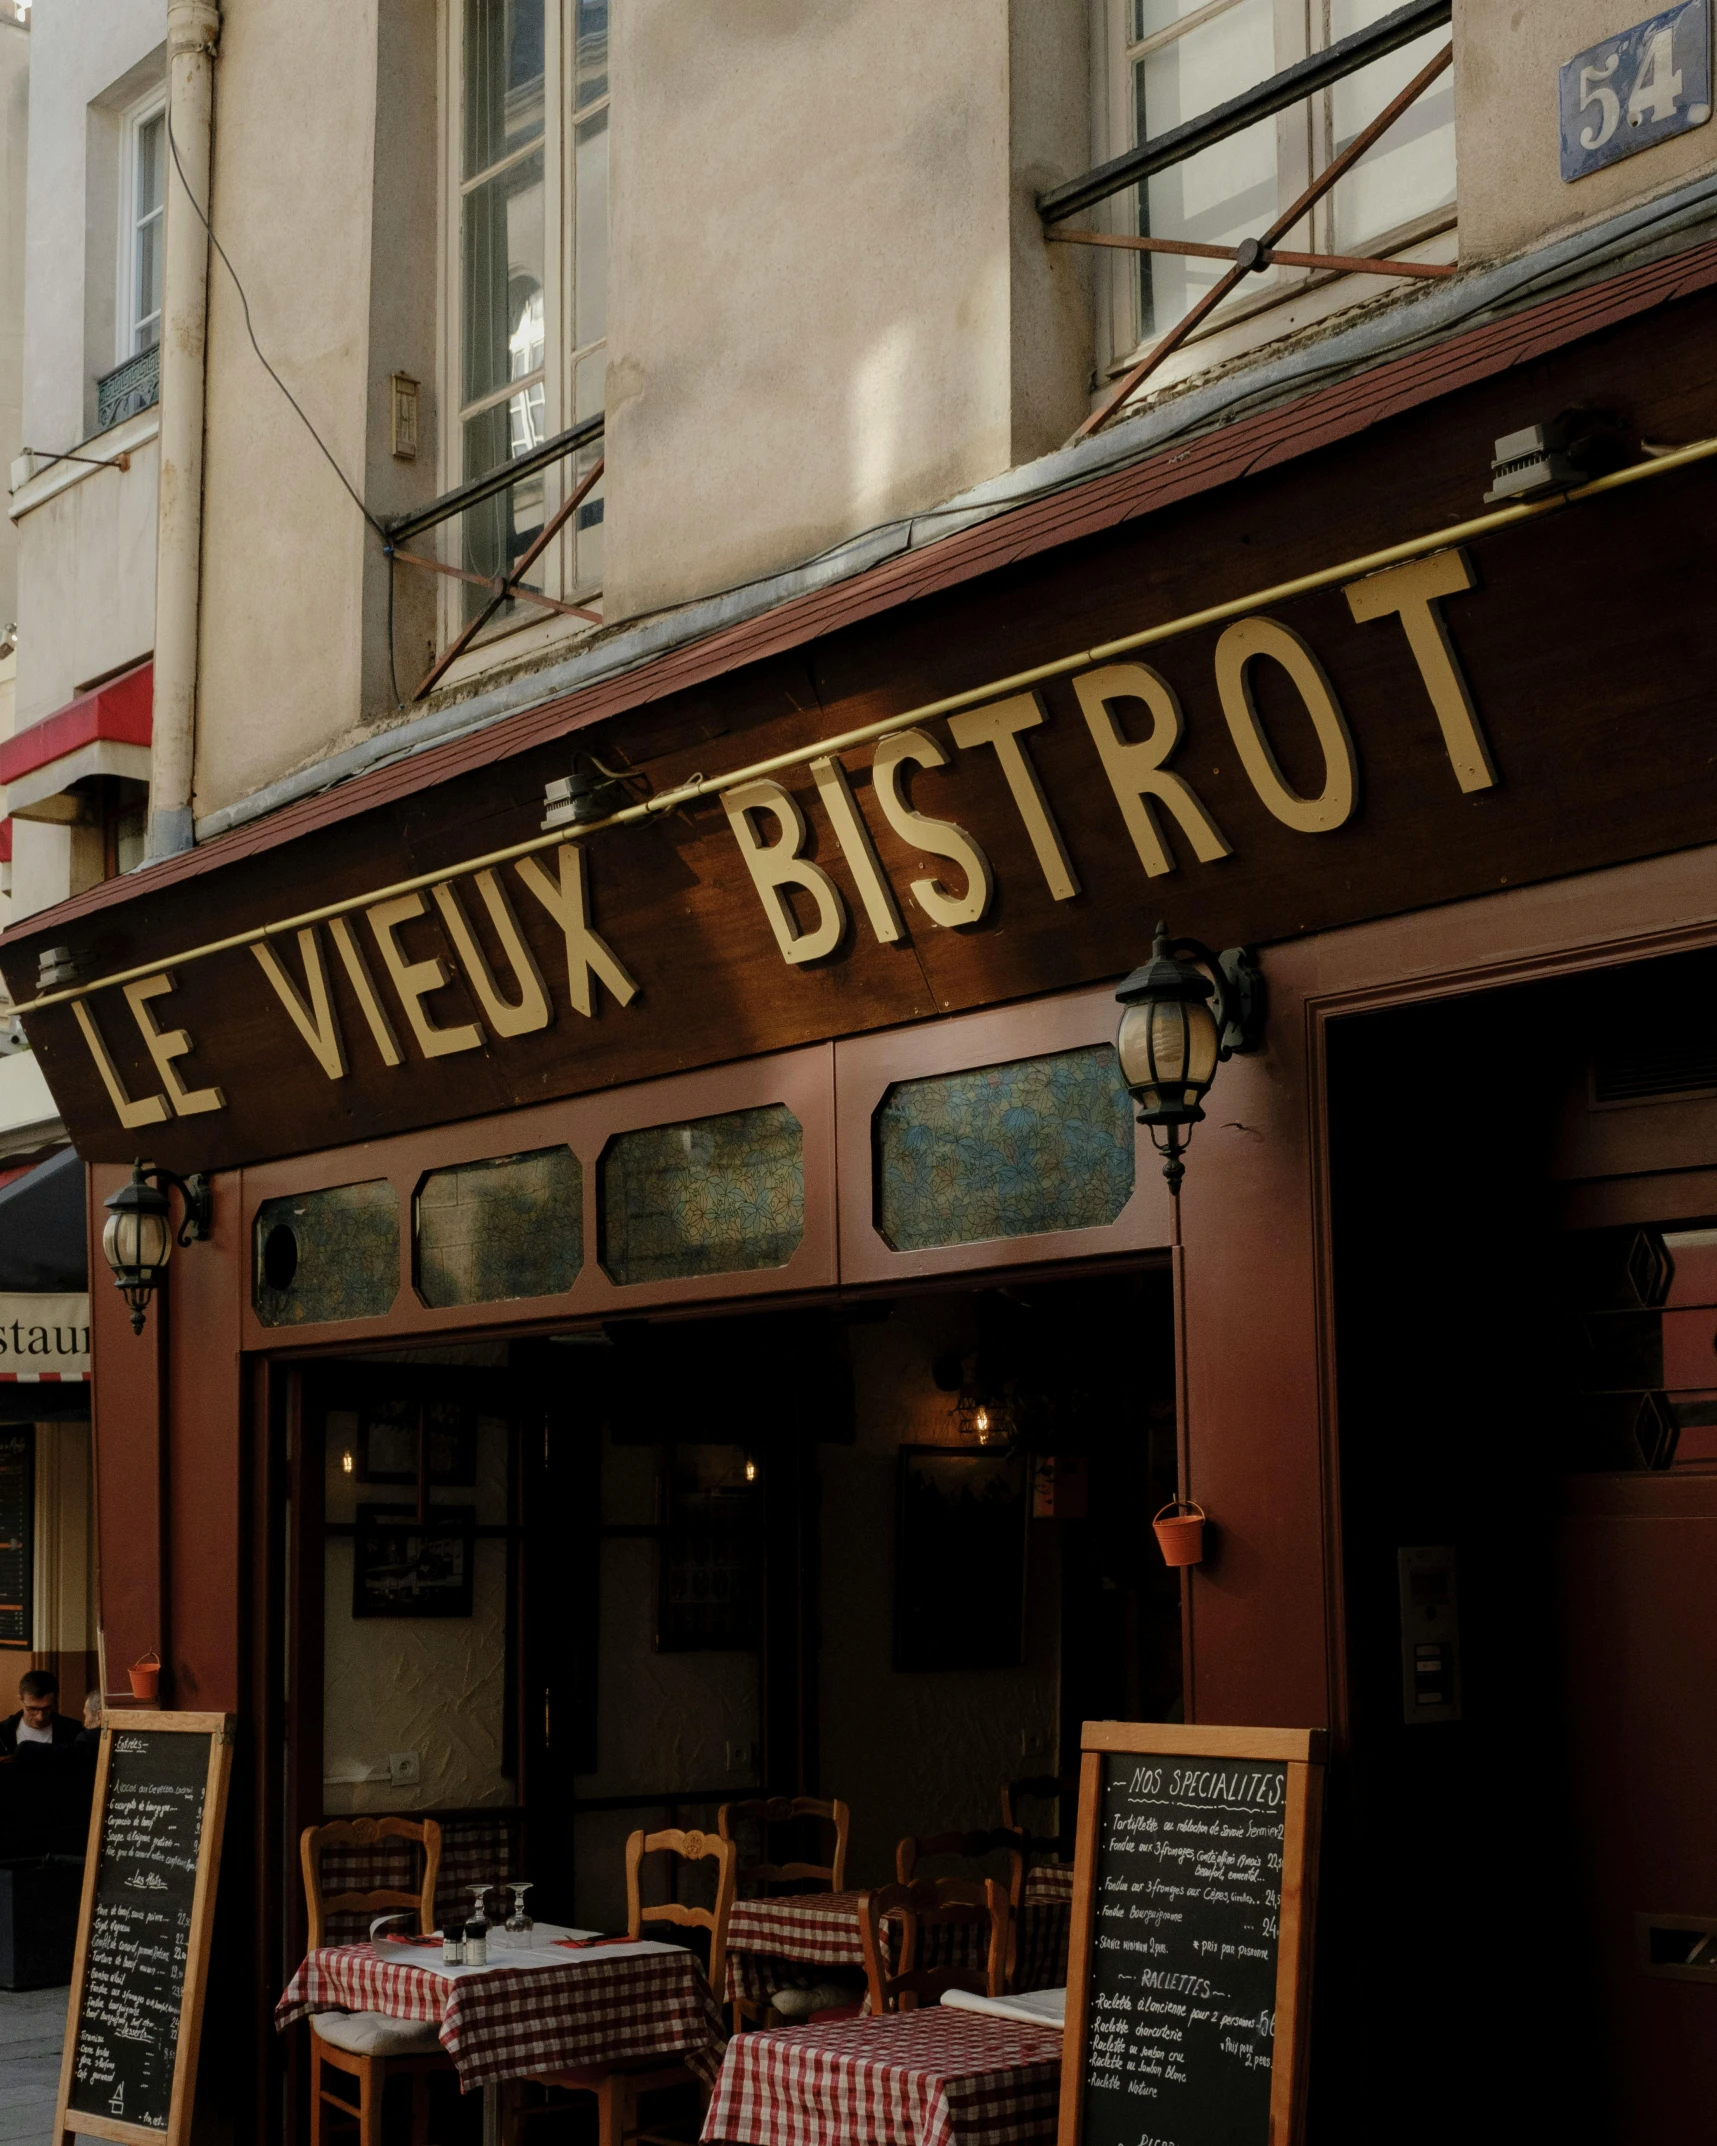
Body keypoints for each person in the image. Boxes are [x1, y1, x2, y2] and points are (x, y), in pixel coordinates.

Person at [0, 1669, 83, 1754]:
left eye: (47, 1708)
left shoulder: (73, 1731)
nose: (40, 1717)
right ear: (21, 1699)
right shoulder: (2, 1733)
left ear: (55, 1701)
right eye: (32, 1709)